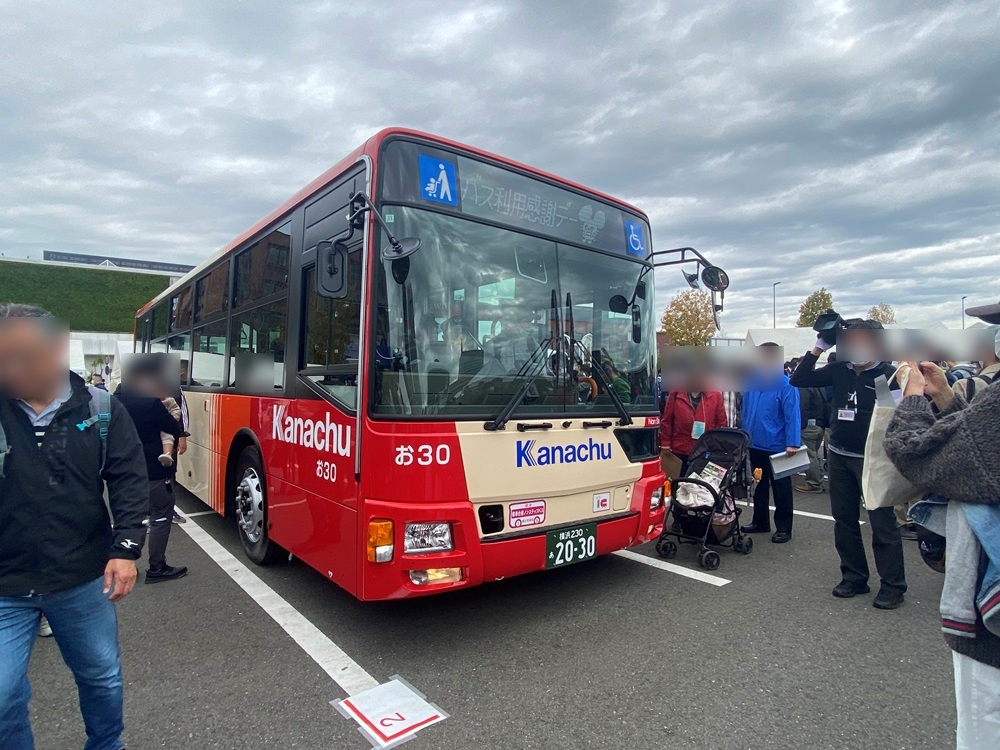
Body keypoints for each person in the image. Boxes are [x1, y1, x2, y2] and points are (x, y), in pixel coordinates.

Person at [0, 303, 148, 750]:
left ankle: (106, 745)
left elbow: (127, 478)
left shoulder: (101, 408)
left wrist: (125, 550)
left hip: (82, 576)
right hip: (6, 583)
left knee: (102, 679)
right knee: (3, 693)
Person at [883, 349, 1000, 748]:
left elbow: (916, 451)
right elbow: (980, 449)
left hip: (989, 617)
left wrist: (913, 398)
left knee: (983, 728)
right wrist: (948, 400)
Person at [791, 319, 907, 609]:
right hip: (840, 455)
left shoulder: (885, 376)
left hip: (874, 459)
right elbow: (799, 379)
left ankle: (893, 585)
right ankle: (854, 577)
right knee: (844, 521)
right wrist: (819, 347)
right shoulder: (839, 371)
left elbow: (896, 420)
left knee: (882, 524)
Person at [116, 359, 187, 584]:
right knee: (160, 516)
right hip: (155, 470)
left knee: (128, 517)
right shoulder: (151, 403)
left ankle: (123, 563)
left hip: (123, 471)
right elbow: (173, 427)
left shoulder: (115, 401)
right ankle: (157, 567)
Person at [740, 343, 801, 544]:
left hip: (778, 445)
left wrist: (792, 442)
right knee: (758, 485)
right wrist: (744, 435)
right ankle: (760, 521)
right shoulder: (752, 382)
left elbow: (792, 415)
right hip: (755, 442)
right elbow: (746, 411)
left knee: (781, 488)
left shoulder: (786, 384)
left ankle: (784, 527)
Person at [659, 384, 728, 478]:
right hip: (679, 450)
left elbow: (721, 424)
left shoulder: (716, 395)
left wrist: (717, 449)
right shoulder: (676, 393)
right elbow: (667, 419)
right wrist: (665, 442)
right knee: (675, 484)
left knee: (698, 488)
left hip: (704, 451)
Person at [795, 384, 829, 494]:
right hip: (819, 424)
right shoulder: (819, 386)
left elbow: (803, 406)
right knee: (815, 454)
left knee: (809, 455)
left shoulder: (805, 386)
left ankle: (813, 483)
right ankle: (819, 480)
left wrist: (800, 426)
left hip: (809, 425)